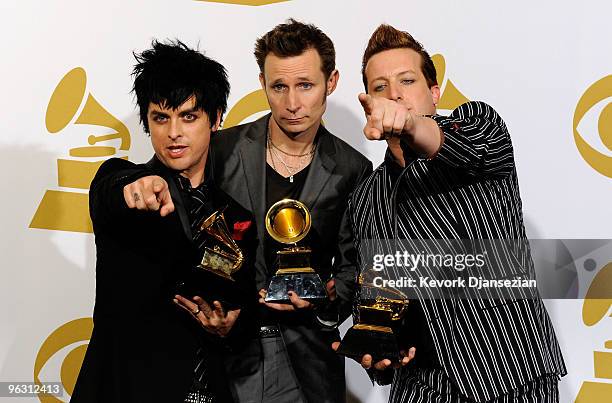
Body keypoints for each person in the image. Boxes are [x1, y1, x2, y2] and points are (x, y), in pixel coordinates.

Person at [340, 24, 567, 402]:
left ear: (434, 93)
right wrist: (378, 353)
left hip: (511, 376)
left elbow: (466, 148)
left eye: (407, 81)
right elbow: (376, 292)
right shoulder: (365, 197)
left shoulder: (480, 127)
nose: (394, 94)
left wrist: (411, 124)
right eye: (380, 87)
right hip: (421, 385)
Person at [71, 40, 253, 403]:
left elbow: (242, 305)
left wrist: (231, 326)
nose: (173, 133)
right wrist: (134, 188)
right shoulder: (124, 180)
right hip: (127, 389)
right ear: (147, 121)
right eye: (160, 118)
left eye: (188, 116)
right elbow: (110, 191)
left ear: (216, 119)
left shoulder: (237, 217)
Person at [205, 19, 372, 403]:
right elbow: (195, 235)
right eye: (279, 86)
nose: (293, 103)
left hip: (309, 359)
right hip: (228, 353)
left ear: (331, 82)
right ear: (263, 84)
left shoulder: (352, 168)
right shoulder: (222, 150)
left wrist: (326, 301)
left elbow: (352, 266)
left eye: (306, 86)